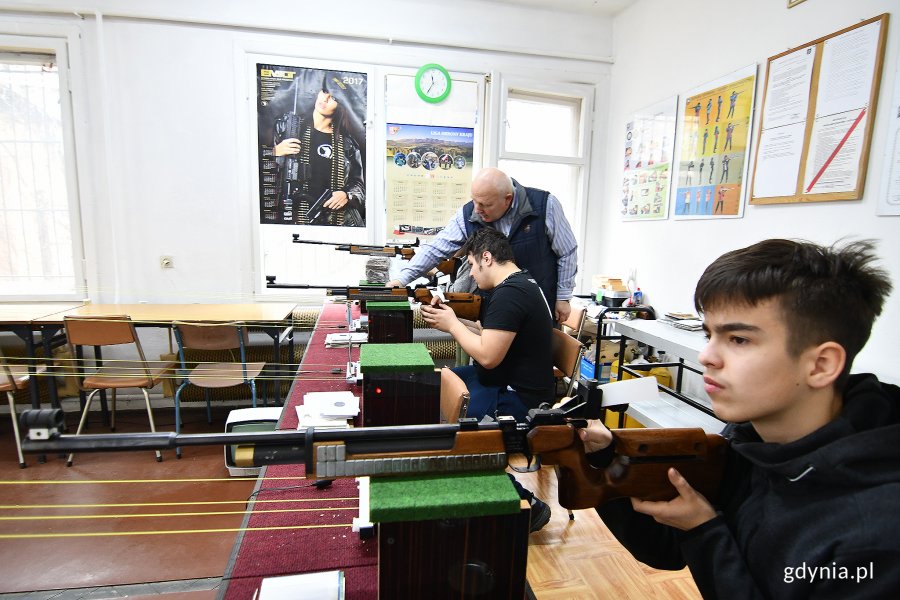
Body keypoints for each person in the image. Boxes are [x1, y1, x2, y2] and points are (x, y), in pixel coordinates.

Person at [579, 238, 898, 598]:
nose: (707, 357)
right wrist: (607, 459)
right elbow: (666, 549)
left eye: (740, 339)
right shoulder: (751, 436)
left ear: (821, 365)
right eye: (709, 334)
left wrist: (705, 530)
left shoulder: (876, 536)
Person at [421, 227, 555, 531]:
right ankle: (457, 488)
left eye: (471, 264)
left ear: (486, 257)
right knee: (440, 383)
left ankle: (526, 504)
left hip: (521, 399)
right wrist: (457, 320)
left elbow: (488, 356)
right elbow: (494, 335)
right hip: (505, 381)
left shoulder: (511, 293)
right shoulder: (520, 284)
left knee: (460, 437)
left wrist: (453, 325)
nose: (471, 271)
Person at [386, 167, 578, 324]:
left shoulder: (545, 206)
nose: (477, 210)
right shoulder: (469, 213)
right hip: (494, 311)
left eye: (485, 204)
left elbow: (567, 252)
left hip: (538, 309)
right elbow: (436, 249)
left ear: (508, 199)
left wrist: (563, 297)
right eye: (475, 201)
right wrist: (402, 280)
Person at [273, 75, 365, 227]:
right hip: (295, 218)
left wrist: (347, 195)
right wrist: (275, 151)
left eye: (333, 97)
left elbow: (358, 184)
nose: (325, 98)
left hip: (335, 221)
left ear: (341, 105)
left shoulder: (348, 144)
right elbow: (259, 170)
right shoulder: (286, 128)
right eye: (324, 91)